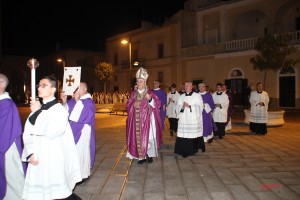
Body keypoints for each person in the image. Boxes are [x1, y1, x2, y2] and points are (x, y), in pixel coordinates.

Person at [22, 75, 82, 200]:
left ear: (53, 89)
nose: (39, 88)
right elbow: (28, 132)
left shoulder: (58, 109)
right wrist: (30, 152)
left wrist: (38, 112)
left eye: (44, 85)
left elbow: (53, 131)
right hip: (37, 157)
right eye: (39, 85)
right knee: (40, 192)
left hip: (52, 157)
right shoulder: (38, 108)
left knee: (58, 193)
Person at [126, 67, 162, 164]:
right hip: (136, 121)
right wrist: (133, 105)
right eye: (137, 82)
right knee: (138, 138)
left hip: (148, 121)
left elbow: (158, 104)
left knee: (148, 138)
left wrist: (150, 99)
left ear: (145, 82)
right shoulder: (133, 94)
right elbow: (128, 105)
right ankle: (141, 157)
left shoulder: (150, 93)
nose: (138, 84)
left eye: (140, 82)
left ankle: (149, 155)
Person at [61, 82, 96, 180]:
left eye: (79, 88)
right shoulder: (76, 101)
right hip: (74, 132)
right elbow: (65, 114)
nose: (77, 90)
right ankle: (74, 174)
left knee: (81, 152)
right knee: (75, 153)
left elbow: (85, 116)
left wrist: (77, 101)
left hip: (82, 133)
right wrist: (64, 102)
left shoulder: (88, 101)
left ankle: (83, 174)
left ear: (85, 90)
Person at [0, 73, 26, 200]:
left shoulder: (6, 104)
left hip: (7, 148)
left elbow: (4, 130)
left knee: (13, 178)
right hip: (4, 146)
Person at [174, 81, 205, 158]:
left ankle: (192, 150)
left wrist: (190, 106)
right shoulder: (181, 96)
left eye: (188, 85)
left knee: (192, 135)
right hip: (184, 119)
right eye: (185, 85)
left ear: (192, 87)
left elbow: (200, 107)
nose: (186, 86)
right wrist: (183, 106)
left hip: (192, 119)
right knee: (183, 135)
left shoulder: (197, 96)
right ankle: (182, 150)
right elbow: (177, 107)